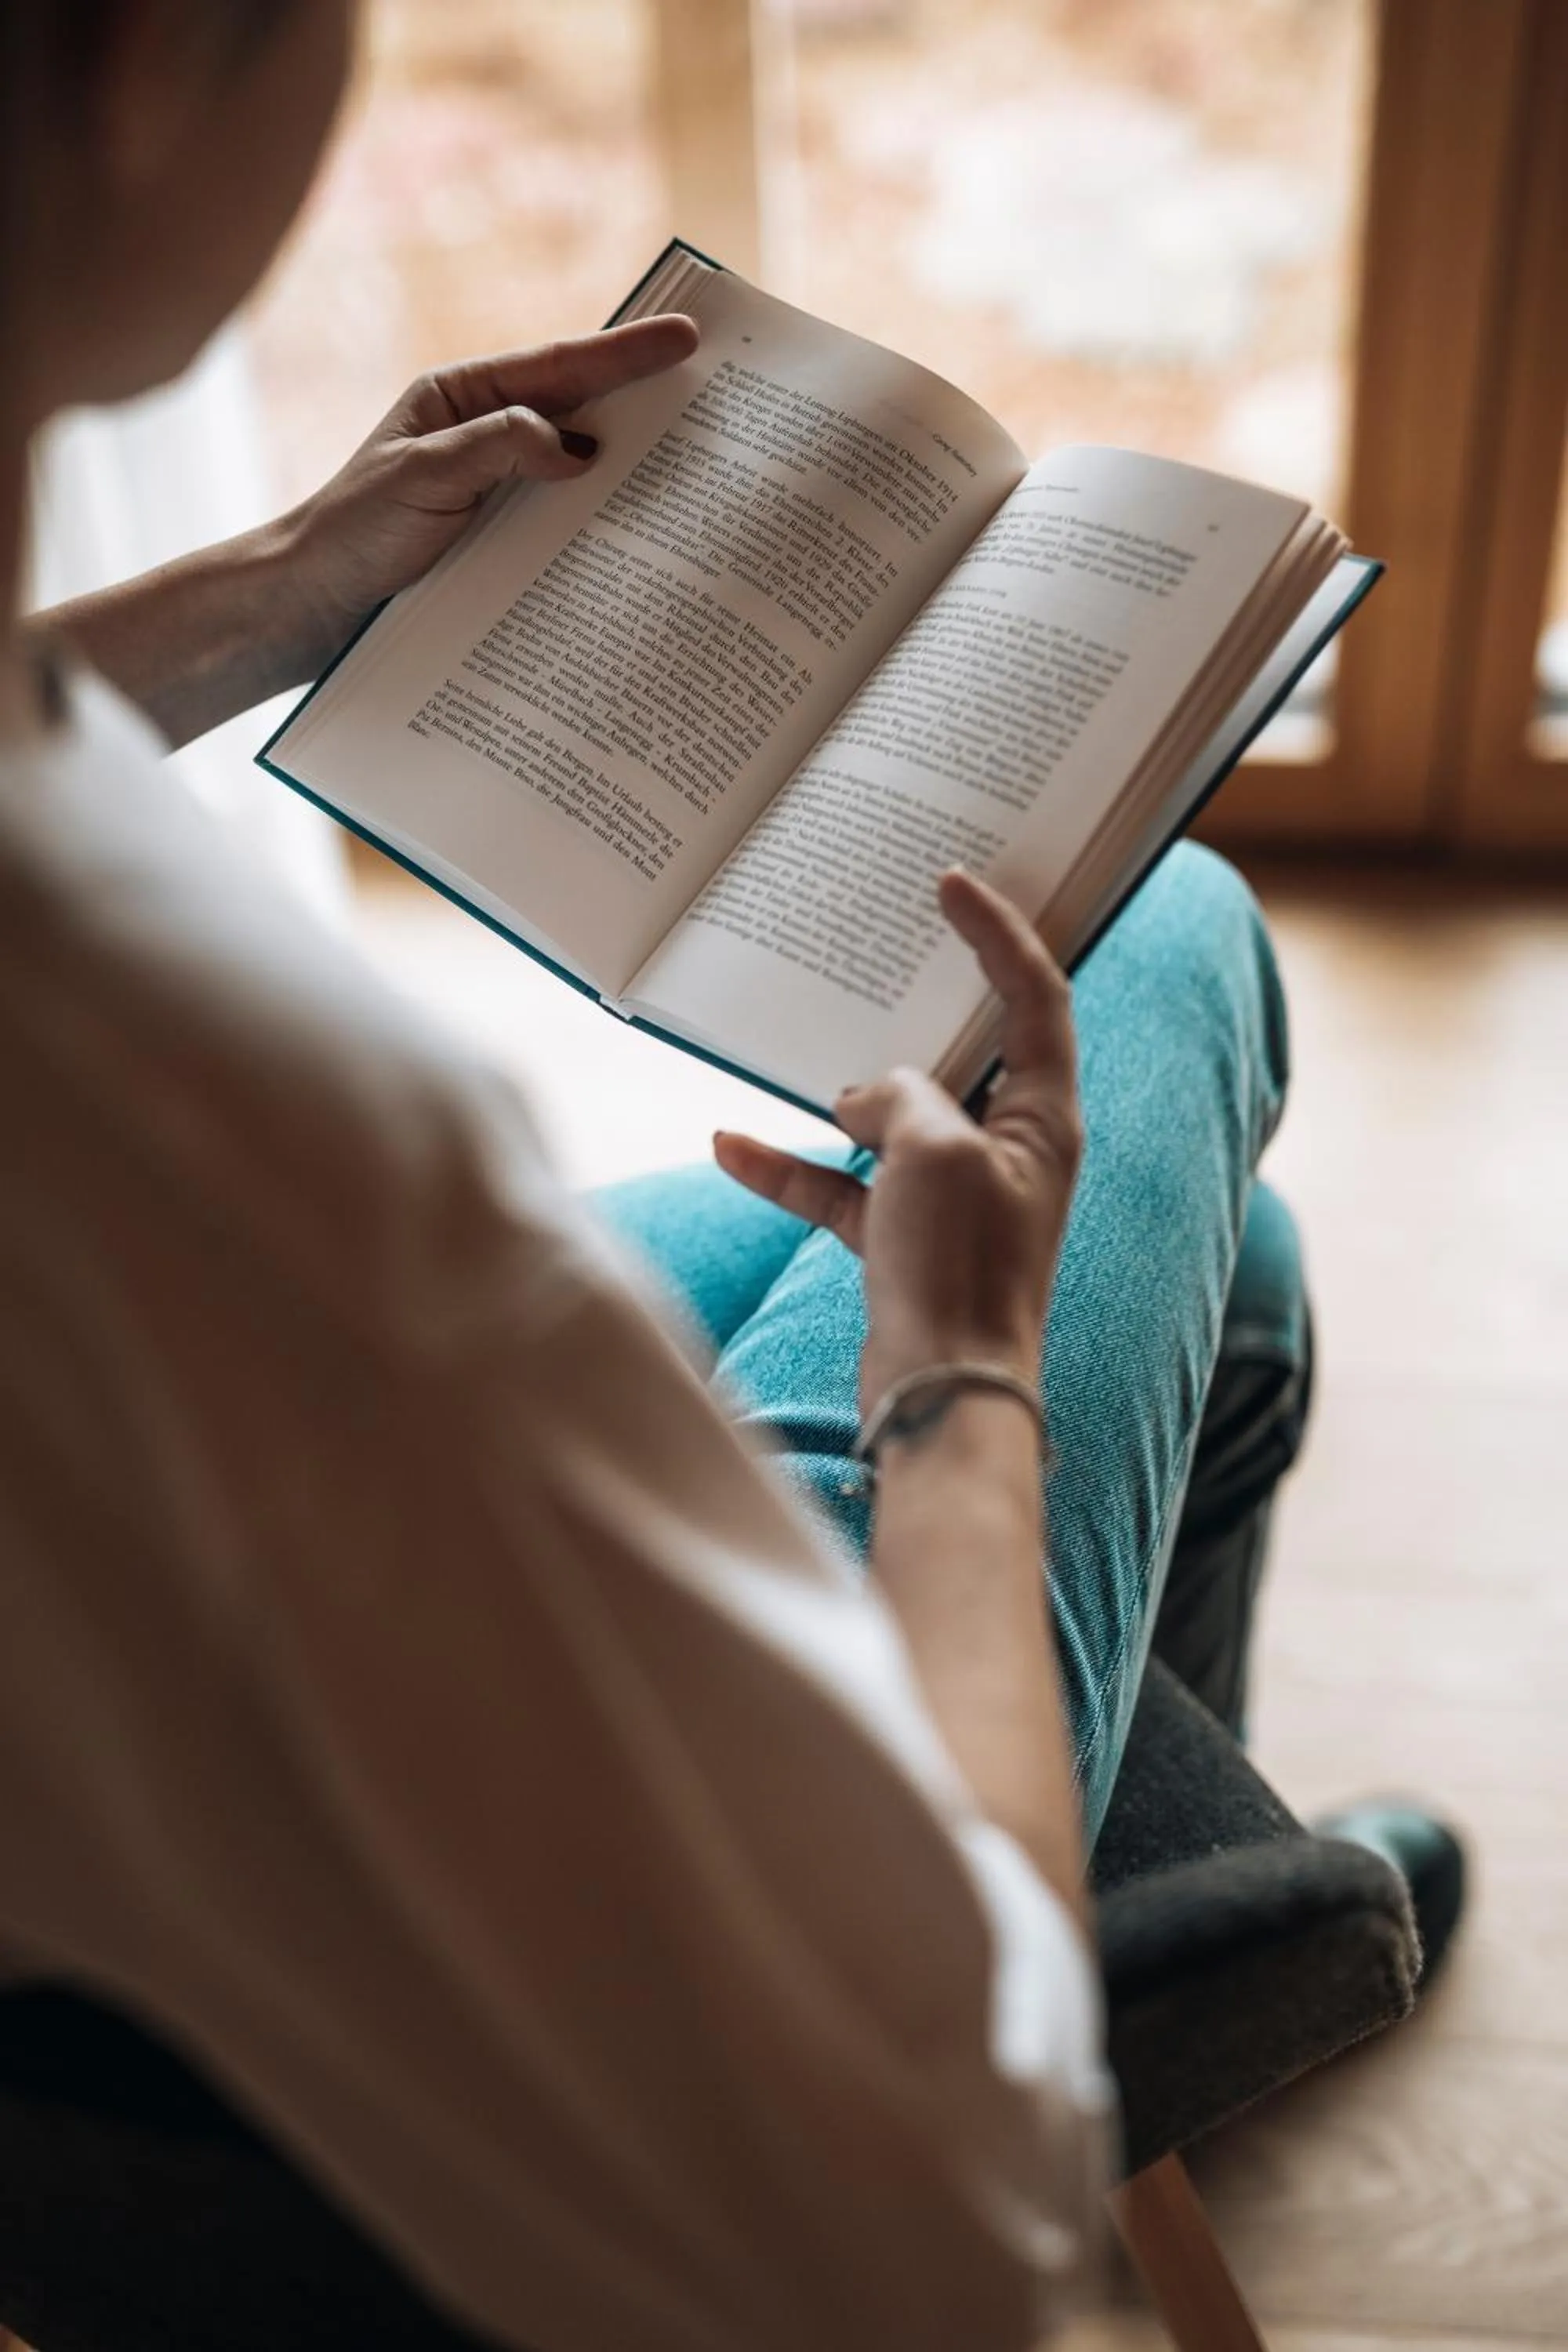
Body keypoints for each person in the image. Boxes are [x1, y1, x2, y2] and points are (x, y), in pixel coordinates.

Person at [0, 3, 1462, 2348]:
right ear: (154, 64)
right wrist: (962, 1390)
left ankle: (1174, 1887)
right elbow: (919, 2207)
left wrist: (289, 579)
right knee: (1152, 944)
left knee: (1239, 1285)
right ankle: (1127, 1940)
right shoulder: (252, 1157)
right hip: (428, 2017)